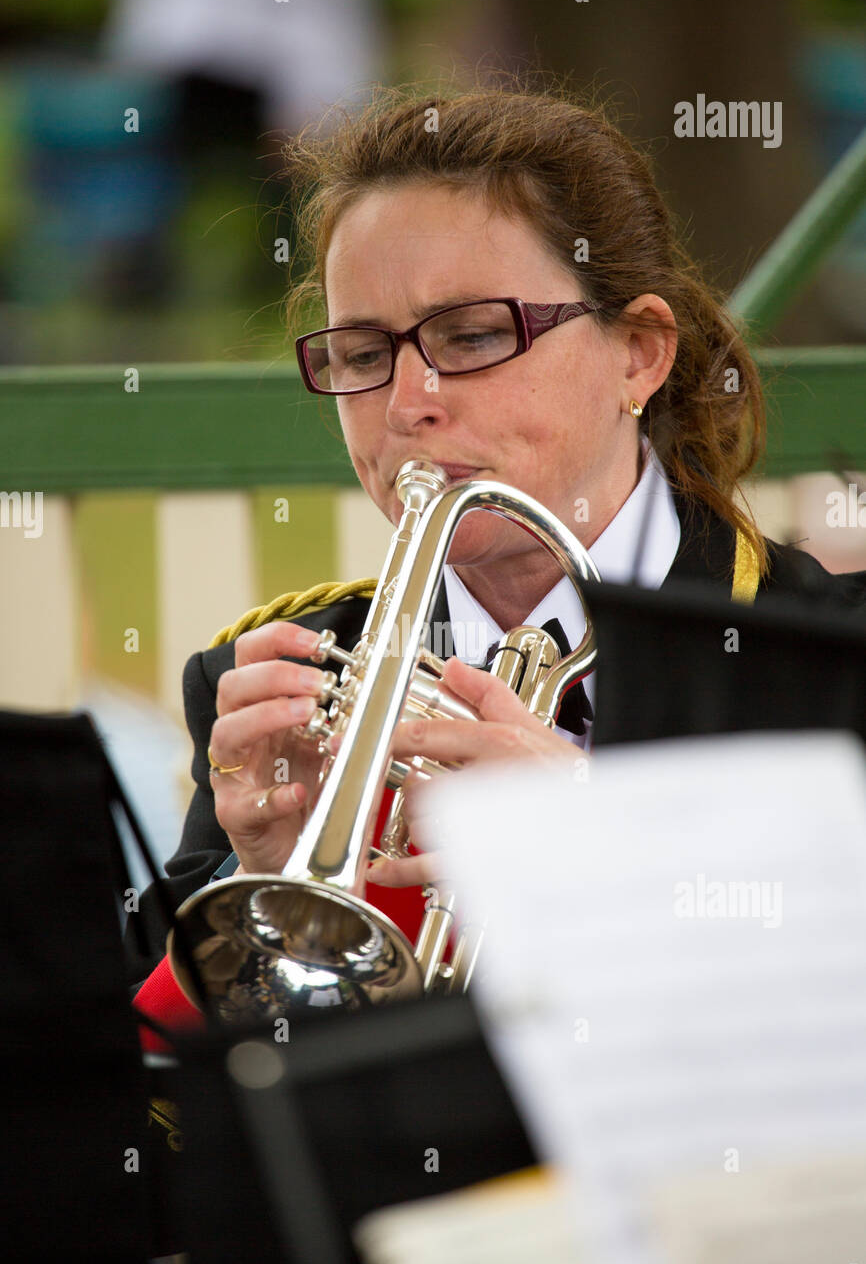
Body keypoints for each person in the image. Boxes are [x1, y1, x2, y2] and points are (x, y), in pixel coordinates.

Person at [130, 75, 866, 1038]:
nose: (406, 406)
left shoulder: (827, 657)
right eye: (360, 355)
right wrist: (261, 880)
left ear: (638, 353)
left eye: (474, 335)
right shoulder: (285, 667)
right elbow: (161, 1109)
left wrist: (608, 847)